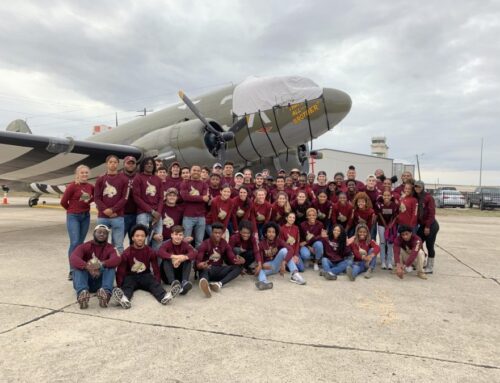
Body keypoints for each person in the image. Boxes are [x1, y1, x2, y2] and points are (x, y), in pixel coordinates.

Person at [113, 224, 181, 309]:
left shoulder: (150, 251)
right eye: (137, 236)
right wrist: (119, 285)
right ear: (133, 238)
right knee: (127, 287)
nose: (140, 238)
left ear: (145, 237)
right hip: (130, 276)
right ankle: (124, 299)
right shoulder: (127, 253)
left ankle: (164, 297)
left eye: (142, 236)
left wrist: (158, 283)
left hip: (145, 275)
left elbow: (155, 269)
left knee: (153, 284)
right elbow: (121, 270)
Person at [69, 224, 121, 309]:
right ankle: (83, 294)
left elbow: (117, 258)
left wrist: (101, 265)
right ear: (94, 233)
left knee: (110, 267)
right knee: (78, 267)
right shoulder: (85, 246)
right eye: (99, 232)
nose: (101, 234)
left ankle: (105, 295)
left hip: (100, 283)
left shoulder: (111, 247)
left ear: (107, 236)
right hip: (85, 280)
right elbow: (73, 257)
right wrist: (87, 266)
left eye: (104, 233)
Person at [61, 164, 94, 280]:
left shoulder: (90, 186)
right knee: (74, 242)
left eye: (86, 173)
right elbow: (63, 202)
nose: (84, 174)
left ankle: (79, 267)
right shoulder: (72, 186)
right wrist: (72, 210)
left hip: (86, 216)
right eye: (82, 173)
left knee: (80, 243)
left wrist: (87, 204)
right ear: (77, 174)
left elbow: (94, 197)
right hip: (73, 216)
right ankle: (72, 270)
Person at [196, 223, 244, 298]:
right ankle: (205, 285)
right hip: (208, 269)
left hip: (219, 270)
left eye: (219, 233)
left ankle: (219, 284)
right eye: (215, 233)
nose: (218, 235)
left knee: (238, 267)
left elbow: (232, 257)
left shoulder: (224, 243)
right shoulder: (205, 243)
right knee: (204, 271)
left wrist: (240, 261)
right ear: (211, 233)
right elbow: (198, 262)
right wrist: (200, 265)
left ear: (222, 233)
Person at [255, 222, 306, 290]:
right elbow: (258, 256)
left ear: (276, 234)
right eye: (269, 232)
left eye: (273, 232)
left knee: (284, 250)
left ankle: (294, 274)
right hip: (268, 267)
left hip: (277, 264)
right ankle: (264, 282)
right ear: (265, 234)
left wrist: (284, 262)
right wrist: (261, 265)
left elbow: (290, 249)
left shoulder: (278, 241)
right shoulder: (261, 244)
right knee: (259, 270)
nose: (271, 234)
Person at [94, 155, 128, 254]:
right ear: (107, 164)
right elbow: (97, 197)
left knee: (118, 245)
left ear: (118, 164)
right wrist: (105, 210)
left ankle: (118, 268)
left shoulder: (124, 179)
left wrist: (113, 210)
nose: (113, 164)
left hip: (118, 217)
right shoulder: (100, 179)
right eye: (110, 162)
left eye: (115, 162)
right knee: (99, 243)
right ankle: (101, 266)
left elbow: (124, 198)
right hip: (102, 217)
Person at [132, 157, 164, 249]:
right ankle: (143, 263)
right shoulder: (138, 178)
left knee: (158, 241)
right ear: (143, 165)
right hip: (143, 213)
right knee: (142, 241)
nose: (149, 165)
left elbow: (161, 198)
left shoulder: (158, 179)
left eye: (151, 163)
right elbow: (136, 198)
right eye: (147, 163)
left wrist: (158, 213)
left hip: (157, 214)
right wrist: (151, 211)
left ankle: (155, 263)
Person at [158, 225, 196, 295]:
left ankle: (184, 283)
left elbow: (193, 253)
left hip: (179, 276)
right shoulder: (167, 244)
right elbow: (160, 252)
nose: (178, 237)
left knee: (188, 260)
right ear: (171, 235)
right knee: (166, 260)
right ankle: (173, 283)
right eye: (176, 234)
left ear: (183, 236)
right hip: (167, 276)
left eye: (180, 235)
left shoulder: (185, 244)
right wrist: (175, 257)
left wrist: (182, 258)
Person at [180, 165, 209, 248]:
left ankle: (197, 260)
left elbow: (206, 198)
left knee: (199, 242)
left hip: (201, 217)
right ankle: (185, 259)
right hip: (188, 216)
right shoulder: (184, 183)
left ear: (200, 172)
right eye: (194, 170)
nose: (196, 172)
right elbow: (185, 197)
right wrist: (201, 198)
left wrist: (193, 197)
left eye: (198, 170)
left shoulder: (204, 184)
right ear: (190, 172)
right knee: (186, 241)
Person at [414, 181, 439, 274]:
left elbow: (431, 213)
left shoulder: (428, 197)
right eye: (416, 186)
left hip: (431, 225)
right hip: (422, 225)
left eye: (419, 186)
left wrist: (428, 226)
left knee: (429, 245)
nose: (417, 188)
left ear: (423, 187)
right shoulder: (416, 196)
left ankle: (430, 266)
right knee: (417, 242)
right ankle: (422, 260)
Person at [376, 190, 399, 270]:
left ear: (391, 196)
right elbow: (379, 214)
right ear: (382, 196)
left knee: (390, 243)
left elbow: (395, 216)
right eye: (384, 195)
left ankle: (389, 261)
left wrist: (390, 225)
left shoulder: (394, 205)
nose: (386, 197)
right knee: (382, 243)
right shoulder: (379, 204)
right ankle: (383, 261)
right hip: (382, 225)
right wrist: (385, 225)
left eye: (388, 195)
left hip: (391, 226)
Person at [122, 156, 138, 244]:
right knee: (118, 242)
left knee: (135, 242)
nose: (131, 165)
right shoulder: (119, 177)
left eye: (133, 163)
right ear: (124, 164)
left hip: (136, 214)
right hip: (122, 215)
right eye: (128, 163)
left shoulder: (139, 177)